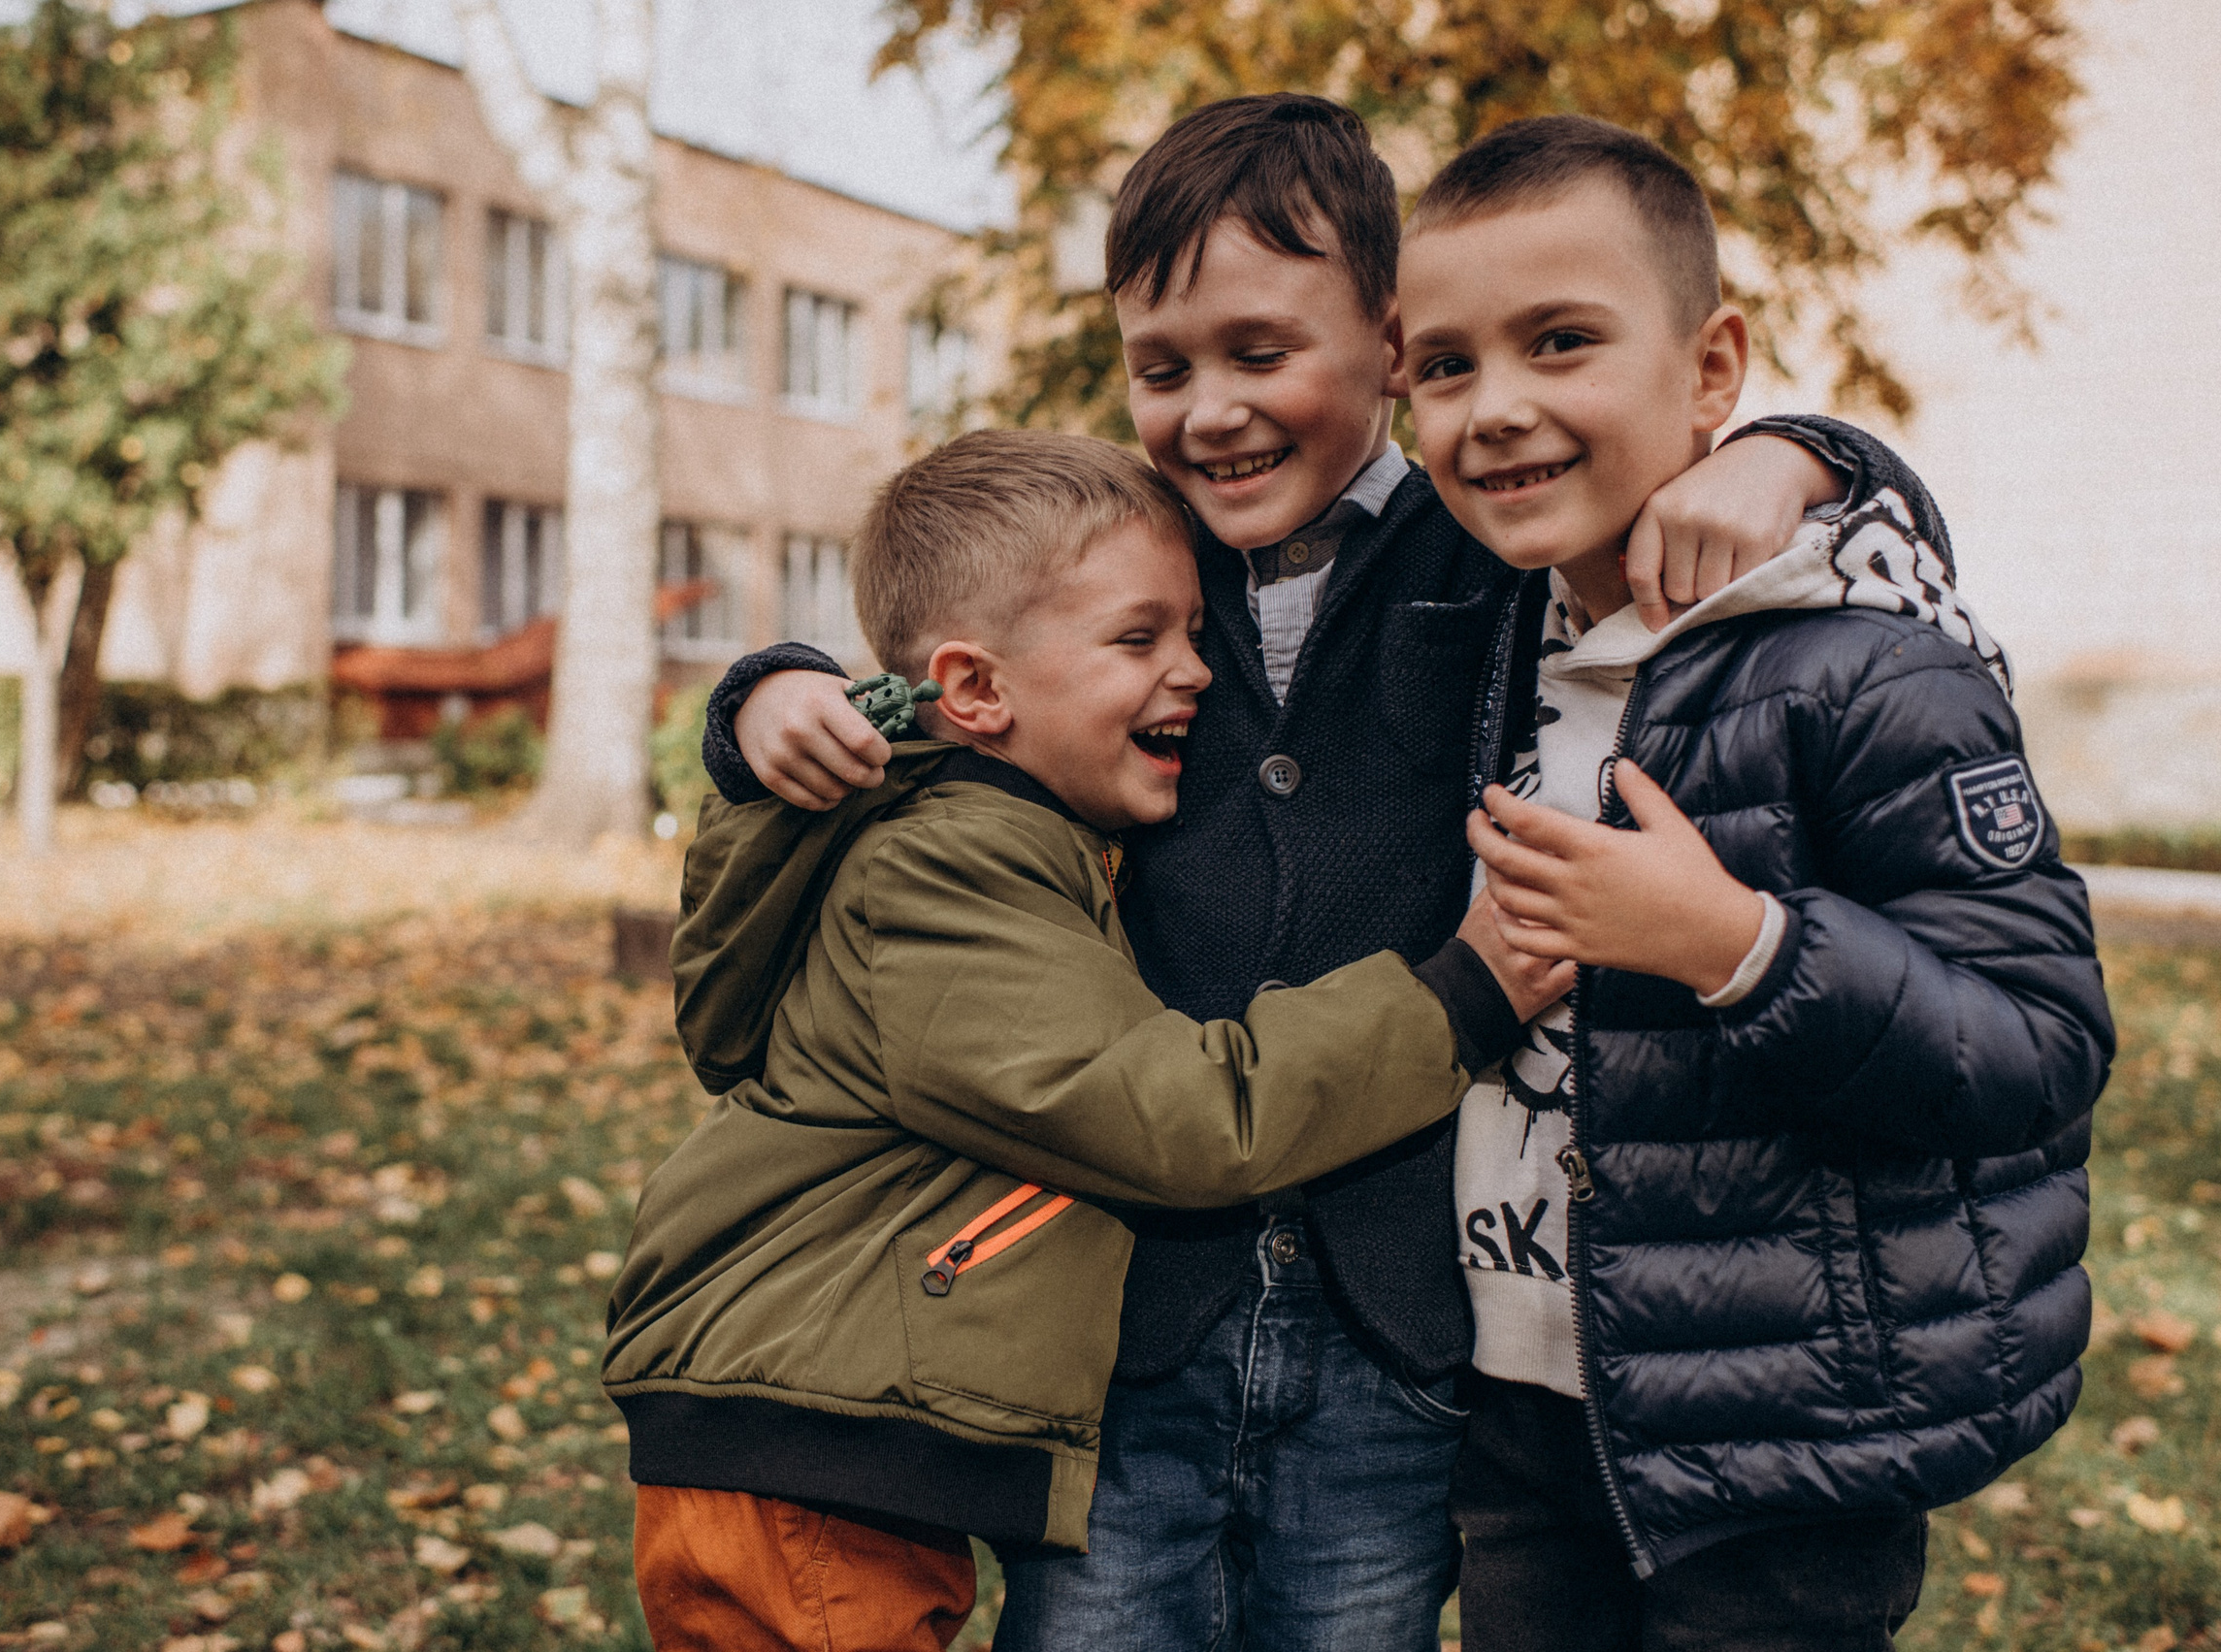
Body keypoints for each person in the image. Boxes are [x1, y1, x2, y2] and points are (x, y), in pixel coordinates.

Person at [698, 94, 1962, 1649]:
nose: (1208, 411)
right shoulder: (1127, 554)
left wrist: (1803, 454)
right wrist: (760, 687)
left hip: (1400, 1309)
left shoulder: (1485, 540)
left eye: (1257, 352)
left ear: (1389, 339)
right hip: (1126, 1312)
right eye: (1161, 370)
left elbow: (1743, 504)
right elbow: (942, 646)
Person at [604, 429, 1566, 1652]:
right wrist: (1459, 996)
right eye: (1138, 638)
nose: (1196, 672)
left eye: (1194, 633)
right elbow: (1177, 1113)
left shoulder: (992, 834)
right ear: (977, 689)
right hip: (802, 1448)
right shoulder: (944, 872)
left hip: (819, 1439)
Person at [1391, 113, 2113, 1651]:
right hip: (1520, 1408)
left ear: (1714, 372)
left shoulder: (1859, 665)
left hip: (1782, 1434)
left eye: (1561, 340)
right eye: (1443, 366)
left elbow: (2037, 1046)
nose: (1495, 408)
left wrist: (1733, 943)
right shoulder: (1481, 635)